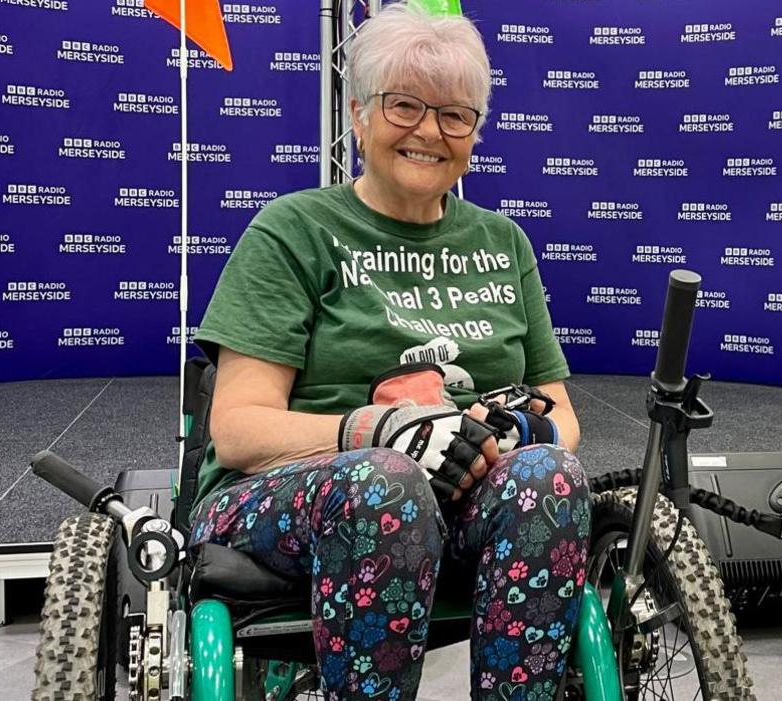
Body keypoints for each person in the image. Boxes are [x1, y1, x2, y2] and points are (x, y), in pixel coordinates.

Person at [186, 5, 590, 700]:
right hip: (289, 496)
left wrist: (510, 430)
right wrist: (378, 431)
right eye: (404, 105)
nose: (429, 131)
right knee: (384, 482)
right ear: (358, 115)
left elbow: (562, 415)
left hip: (460, 501)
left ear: (473, 133)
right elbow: (239, 428)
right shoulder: (293, 231)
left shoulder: (503, 242)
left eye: (454, 115)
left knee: (547, 474)